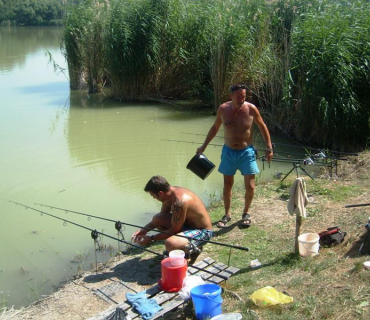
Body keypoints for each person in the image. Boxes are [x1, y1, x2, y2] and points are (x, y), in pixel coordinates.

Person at [197, 83, 273, 228]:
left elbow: (262, 126)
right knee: (227, 185)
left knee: (250, 186)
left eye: (243, 97)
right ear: (230, 96)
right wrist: (203, 146)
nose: (241, 99)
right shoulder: (223, 109)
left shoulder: (251, 109)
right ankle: (227, 214)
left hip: (247, 152)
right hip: (228, 152)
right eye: (238, 97)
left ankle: (246, 213)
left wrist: (269, 147)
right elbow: (215, 127)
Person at [131, 175, 213, 256]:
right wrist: (144, 230)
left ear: (160, 193)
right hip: (185, 225)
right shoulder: (168, 194)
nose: (154, 198)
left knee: (170, 243)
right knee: (158, 218)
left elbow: (174, 229)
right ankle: (180, 244)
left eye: (153, 196)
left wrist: (151, 238)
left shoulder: (179, 202)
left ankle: (189, 249)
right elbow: (161, 217)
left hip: (202, 232)